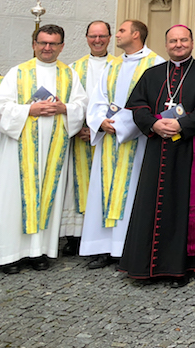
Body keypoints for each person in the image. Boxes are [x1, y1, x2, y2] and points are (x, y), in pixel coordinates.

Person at [119, 25, 195, 286]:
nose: (178, 45)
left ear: (192, 42)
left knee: (182, 206)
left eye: (183, 40)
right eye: (173, 41)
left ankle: (179, 268)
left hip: (189, 149)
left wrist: (181, 125)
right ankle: (147, 267)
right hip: (156, 148)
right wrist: (153, 124)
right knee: (151, 205)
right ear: (166, 45)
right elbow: (138, 106)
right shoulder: (152, 74)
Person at [0, 25, 88, 273]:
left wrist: (65, 108)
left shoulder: (70, 75)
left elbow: (80, 106)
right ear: (34, 44)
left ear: (62, 46)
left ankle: (39, 252)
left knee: (46, 198)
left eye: (53, 44)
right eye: (43, 43)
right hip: (18, 152)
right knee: (12, 199)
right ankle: (8, 255)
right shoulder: (18, 73)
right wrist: (28, 110)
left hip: (53, 151)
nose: (47, 48)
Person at [80, 20, 163, 269]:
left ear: (136, 34)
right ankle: (102, 248)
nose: (116, 35)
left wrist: (122, 125)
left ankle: (126, 247)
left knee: (131, 194)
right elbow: (98, 98)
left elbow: (151, 104)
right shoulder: (113, 64)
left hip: (137, 140)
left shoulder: (155, 64)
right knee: (102, 192)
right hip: (109, 141)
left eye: (122, 31)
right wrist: (100, 121)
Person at [66, 21, 119, 255]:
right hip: (79, 137)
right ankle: (75, 236)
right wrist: (78, 128)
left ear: (109, 37)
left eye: (102, 36)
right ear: (86, 38)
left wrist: (98, 127)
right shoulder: (72, 69)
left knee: (106, 185)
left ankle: (105, 236)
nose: (97, 40)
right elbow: (68, 102)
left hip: (109, 136)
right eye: (93, 36)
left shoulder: (119, 66)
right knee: (76, 185)